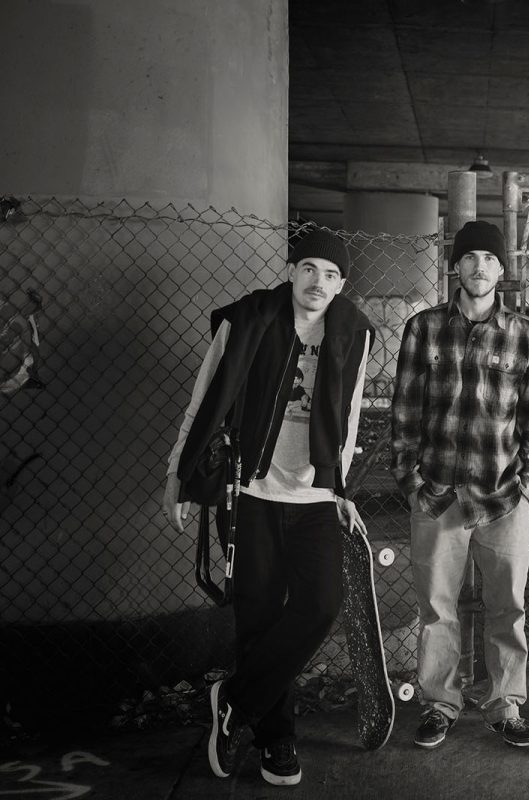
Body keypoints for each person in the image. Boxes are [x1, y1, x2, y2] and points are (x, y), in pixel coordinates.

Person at [163, 228, 374, 786]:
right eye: (309, 268)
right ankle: (275, 741)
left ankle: (233, 700)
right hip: (252, 495)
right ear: (291, 271)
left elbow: (349, 417)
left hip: (313, 497)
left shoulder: (354, 331)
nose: (318, 282)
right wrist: (177, 477)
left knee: (320, 605)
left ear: (342, 284)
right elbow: (204, 400)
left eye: (330, 274)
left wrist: (339, 490)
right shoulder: (249, 319)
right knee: (256, 620)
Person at [391, 220, 529, 750]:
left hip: (504, 497)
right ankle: (441, 703)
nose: (479, 266)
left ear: (501, 270)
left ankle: (505, 705)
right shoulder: (422, 329)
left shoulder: (526, 334)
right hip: (437, 495)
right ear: (455, 267)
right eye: (469, 258)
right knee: (438, 608)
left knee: (509, 608)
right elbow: (405, 413)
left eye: (489, 258)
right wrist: (411, 481)